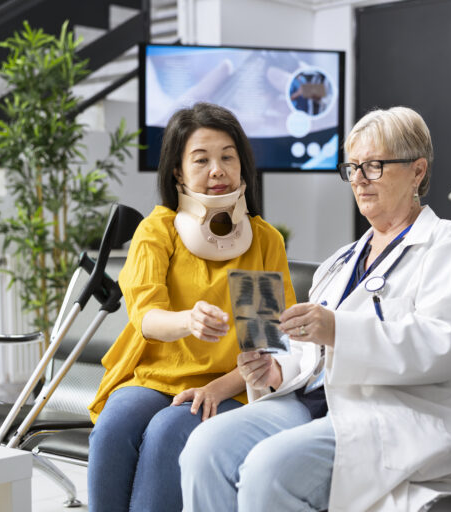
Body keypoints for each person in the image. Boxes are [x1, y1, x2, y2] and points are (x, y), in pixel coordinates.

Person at [180, 106, 451, 512]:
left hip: (391, 415)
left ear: (417, 171)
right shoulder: (342, 260)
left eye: (374, 166)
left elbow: (448, 345)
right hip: (312, 405)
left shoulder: (450, 246)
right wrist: (275, 371)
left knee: (268, 471)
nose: (359, 179)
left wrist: (338, 330)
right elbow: (309, 355)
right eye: (353, 167)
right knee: (204, 450)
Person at [86, 102, 296, 511]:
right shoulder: (159, 229)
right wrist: (189, 320)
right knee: (113, 428)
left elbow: (264, 344)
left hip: (229, 383)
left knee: (168, 432)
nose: (216, 170)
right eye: (201, 160)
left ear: (242, 167)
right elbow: (146, 316)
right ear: (178, 172)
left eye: (227, 157)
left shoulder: (262, 240)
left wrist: (218, 387)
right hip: (155, 376)